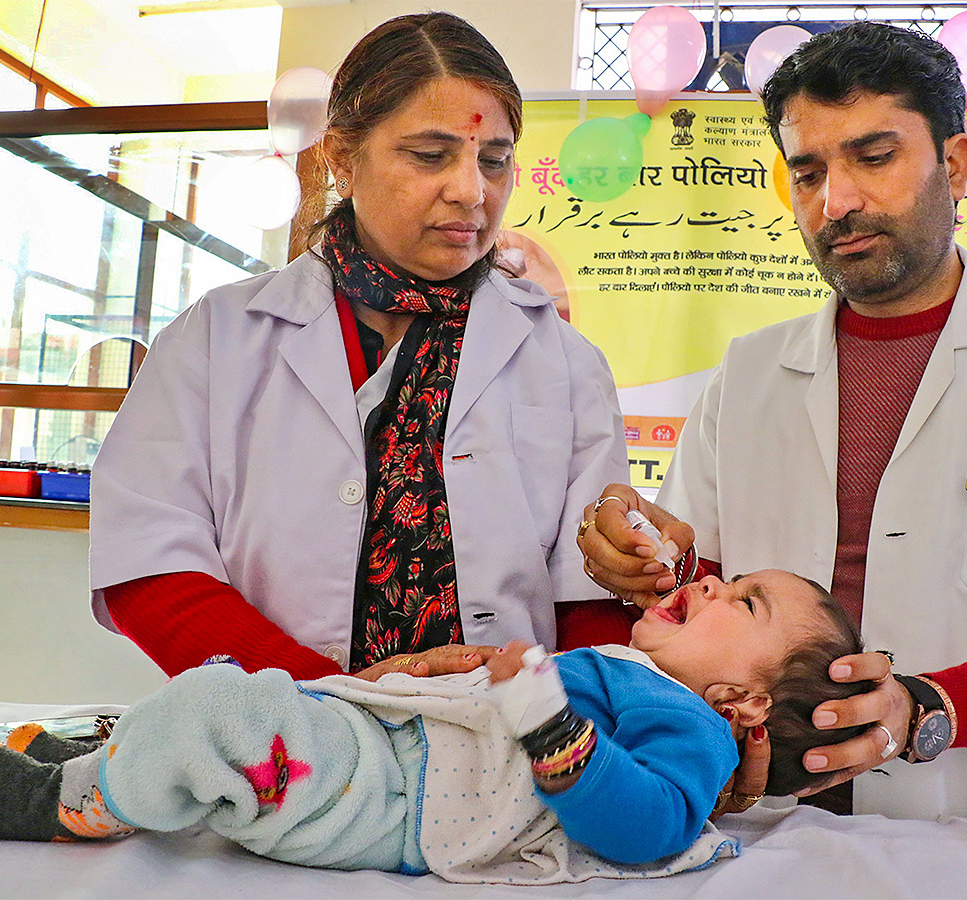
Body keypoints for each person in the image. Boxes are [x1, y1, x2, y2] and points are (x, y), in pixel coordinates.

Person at [577, 22, 967, 832]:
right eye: (809, 171)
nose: (839, 201)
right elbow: (697, 594)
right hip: (756, 828)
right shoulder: (750, 374)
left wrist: (930, 708)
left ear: (955, 165)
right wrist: (650, 561)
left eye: (875, 156)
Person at [88, 12, 629, 685]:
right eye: (431, 155)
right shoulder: (218, 338)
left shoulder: (564, 363)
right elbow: (147, 563)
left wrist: (571, 731)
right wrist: (322, 705)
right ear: (343, 158)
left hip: (504, 754)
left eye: (494, 160)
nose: (471, 191)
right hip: (273, 743)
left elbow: (594, 595)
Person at [0, 571, 871, 883]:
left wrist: (554, 731)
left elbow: (648, 827)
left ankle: (73, 802)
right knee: (232, 699)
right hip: (388, 755)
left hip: (399, 802)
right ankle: (112, 761)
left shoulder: (698, 729)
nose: (712, 584)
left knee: (227, 715)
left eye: (744, 601)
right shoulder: (644, 678)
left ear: (746, 706)